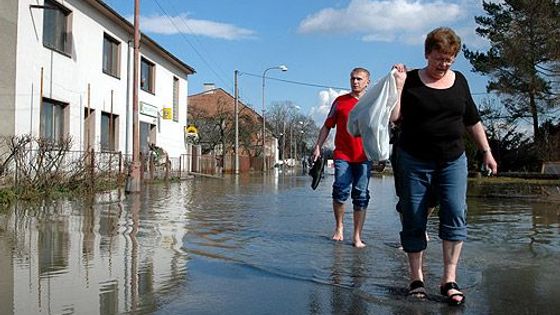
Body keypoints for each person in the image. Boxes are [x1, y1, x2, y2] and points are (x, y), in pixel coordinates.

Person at [391, 27, 497, 305]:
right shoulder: (411, 80)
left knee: (454, 211)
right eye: (439, 58)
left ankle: (448, 280)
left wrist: (486, 152)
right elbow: (395, 117)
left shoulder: (460, 81)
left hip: (452, 159)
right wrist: (400, 85)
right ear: (427, 54)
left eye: (450, 59)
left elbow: (472, 120)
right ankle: (416, 279)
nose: (444, 64)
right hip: (413, 159)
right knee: (414, 215)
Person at [311, 67, 371, 248]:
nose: (355, 82)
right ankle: (339, 228)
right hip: (343, 154)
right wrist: (318, 146)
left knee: (361, 195)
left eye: (359, 79)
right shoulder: (340, 102)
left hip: (364, 155)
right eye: (353, 78)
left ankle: (357, 236)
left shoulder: (373, 102)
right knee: (340, 189)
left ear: (367, 81)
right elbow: (327, 126)